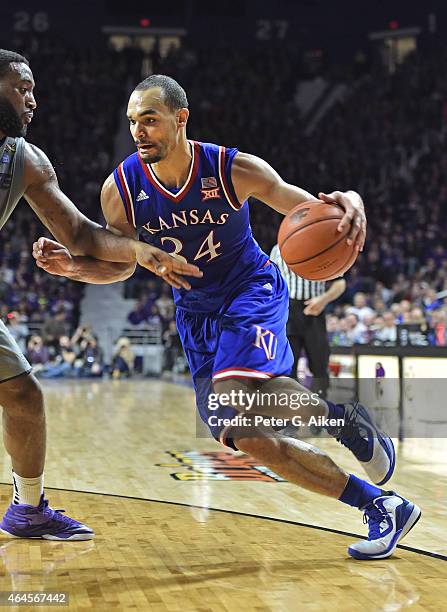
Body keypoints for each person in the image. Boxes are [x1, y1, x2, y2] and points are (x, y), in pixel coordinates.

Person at [36, 74, 420, 560]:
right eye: (133, 122)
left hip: (250, 289)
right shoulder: (122, 189)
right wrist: (74, 268)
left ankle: (348, 423)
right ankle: (380, 502)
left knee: (231, 391)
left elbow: (310, 209)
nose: (139, 131)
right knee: (244, 435)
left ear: (181, 119)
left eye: (150, 120)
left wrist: (355, 201)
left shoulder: (230, 168)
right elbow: (122, 263)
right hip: (195, 313)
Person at [0, 50, 202, 541]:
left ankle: (28, 509)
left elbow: (82, 236)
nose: (31, 100)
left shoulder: (24, 160)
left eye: (33, 91)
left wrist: (139, 250)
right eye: (20, 89)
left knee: (22, 393)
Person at [270, 244, 346, 398]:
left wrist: (323, 300)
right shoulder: (278, 249)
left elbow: (340, 282)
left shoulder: (323, 246)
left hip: (315, 309)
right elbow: (270, 281)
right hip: (288, 310)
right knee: (286, 367)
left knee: (320, 364)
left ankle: (321, 410)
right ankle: (287, 414)